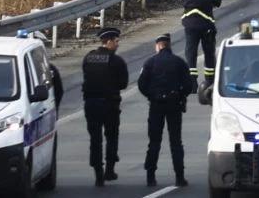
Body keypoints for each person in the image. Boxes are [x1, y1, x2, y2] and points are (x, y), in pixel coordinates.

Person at [138, 33, 195, 188]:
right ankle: (180, 177)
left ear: (158, 46)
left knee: (154, 142)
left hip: (156, 106)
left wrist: (152, 95)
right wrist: (180, 95)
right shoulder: (179, 62)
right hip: (174, 106)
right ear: (169, 46)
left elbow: (141, 84)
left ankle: (150, 177)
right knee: (176, 142)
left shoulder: (150, 62)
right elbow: (189, 85)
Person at [82, 27, 129, 186]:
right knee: (111, 137)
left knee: (95, 140)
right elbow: (123, 84)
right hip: (110, 104)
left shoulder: (88, 58)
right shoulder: (116, 61)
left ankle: (98, 173)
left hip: (91, 104)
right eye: (116, 41)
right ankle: (109, 170)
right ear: (108, 41)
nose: (118, 44)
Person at [178, 0, 221, 89]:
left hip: (190, 24)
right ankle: (210, 81)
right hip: (206, 23)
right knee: (209, 52)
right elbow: (218, 2)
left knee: (190, 52)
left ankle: (192, 83)